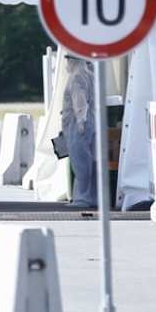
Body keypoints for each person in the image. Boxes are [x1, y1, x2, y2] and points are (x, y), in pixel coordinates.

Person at [61, 55, 97, 209]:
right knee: (92, 162)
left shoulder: (77, 78)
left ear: (72, 60)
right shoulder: (91, 76)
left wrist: (81, 123)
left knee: (80, 162)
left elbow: (79, 100)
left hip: (78, 125)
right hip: (93, 122)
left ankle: (82, 198)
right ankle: (94, 197)